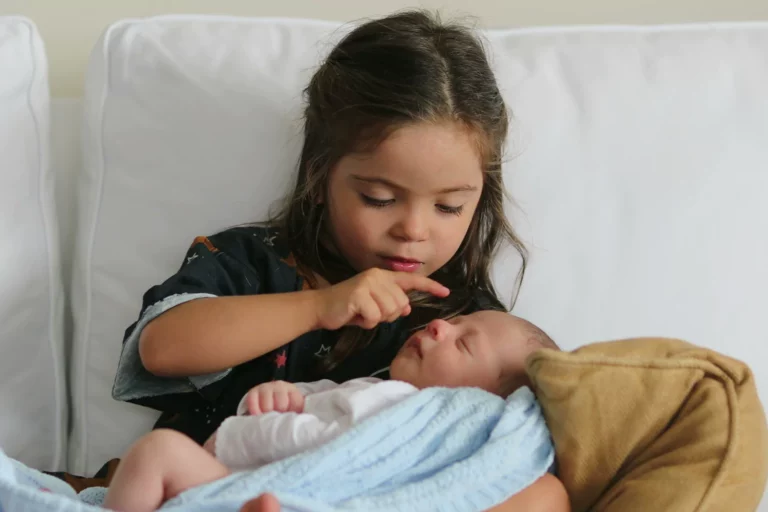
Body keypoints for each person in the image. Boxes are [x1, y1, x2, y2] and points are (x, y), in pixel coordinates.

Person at [106, 8, 564, 512]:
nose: (413, 230)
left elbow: (511, 446)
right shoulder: (256, 261)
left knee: (545, 494)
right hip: (222, 486)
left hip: (369, 498)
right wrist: (321, 305)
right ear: (319, 176)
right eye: (378, 198)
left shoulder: (467, 317)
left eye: (448, 207)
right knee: (155, 455)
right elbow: (162, 348)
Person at [104, 311, 567, 511]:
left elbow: (314, 444)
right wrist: (268, 399)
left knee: (159, 452)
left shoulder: (403, 411)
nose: (441, 325)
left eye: (464, 342)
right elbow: (302, 404)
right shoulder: (372, 388)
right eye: (457, 320)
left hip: (282, 490)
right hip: (249, 487)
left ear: (478, 404)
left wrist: (240, 434)